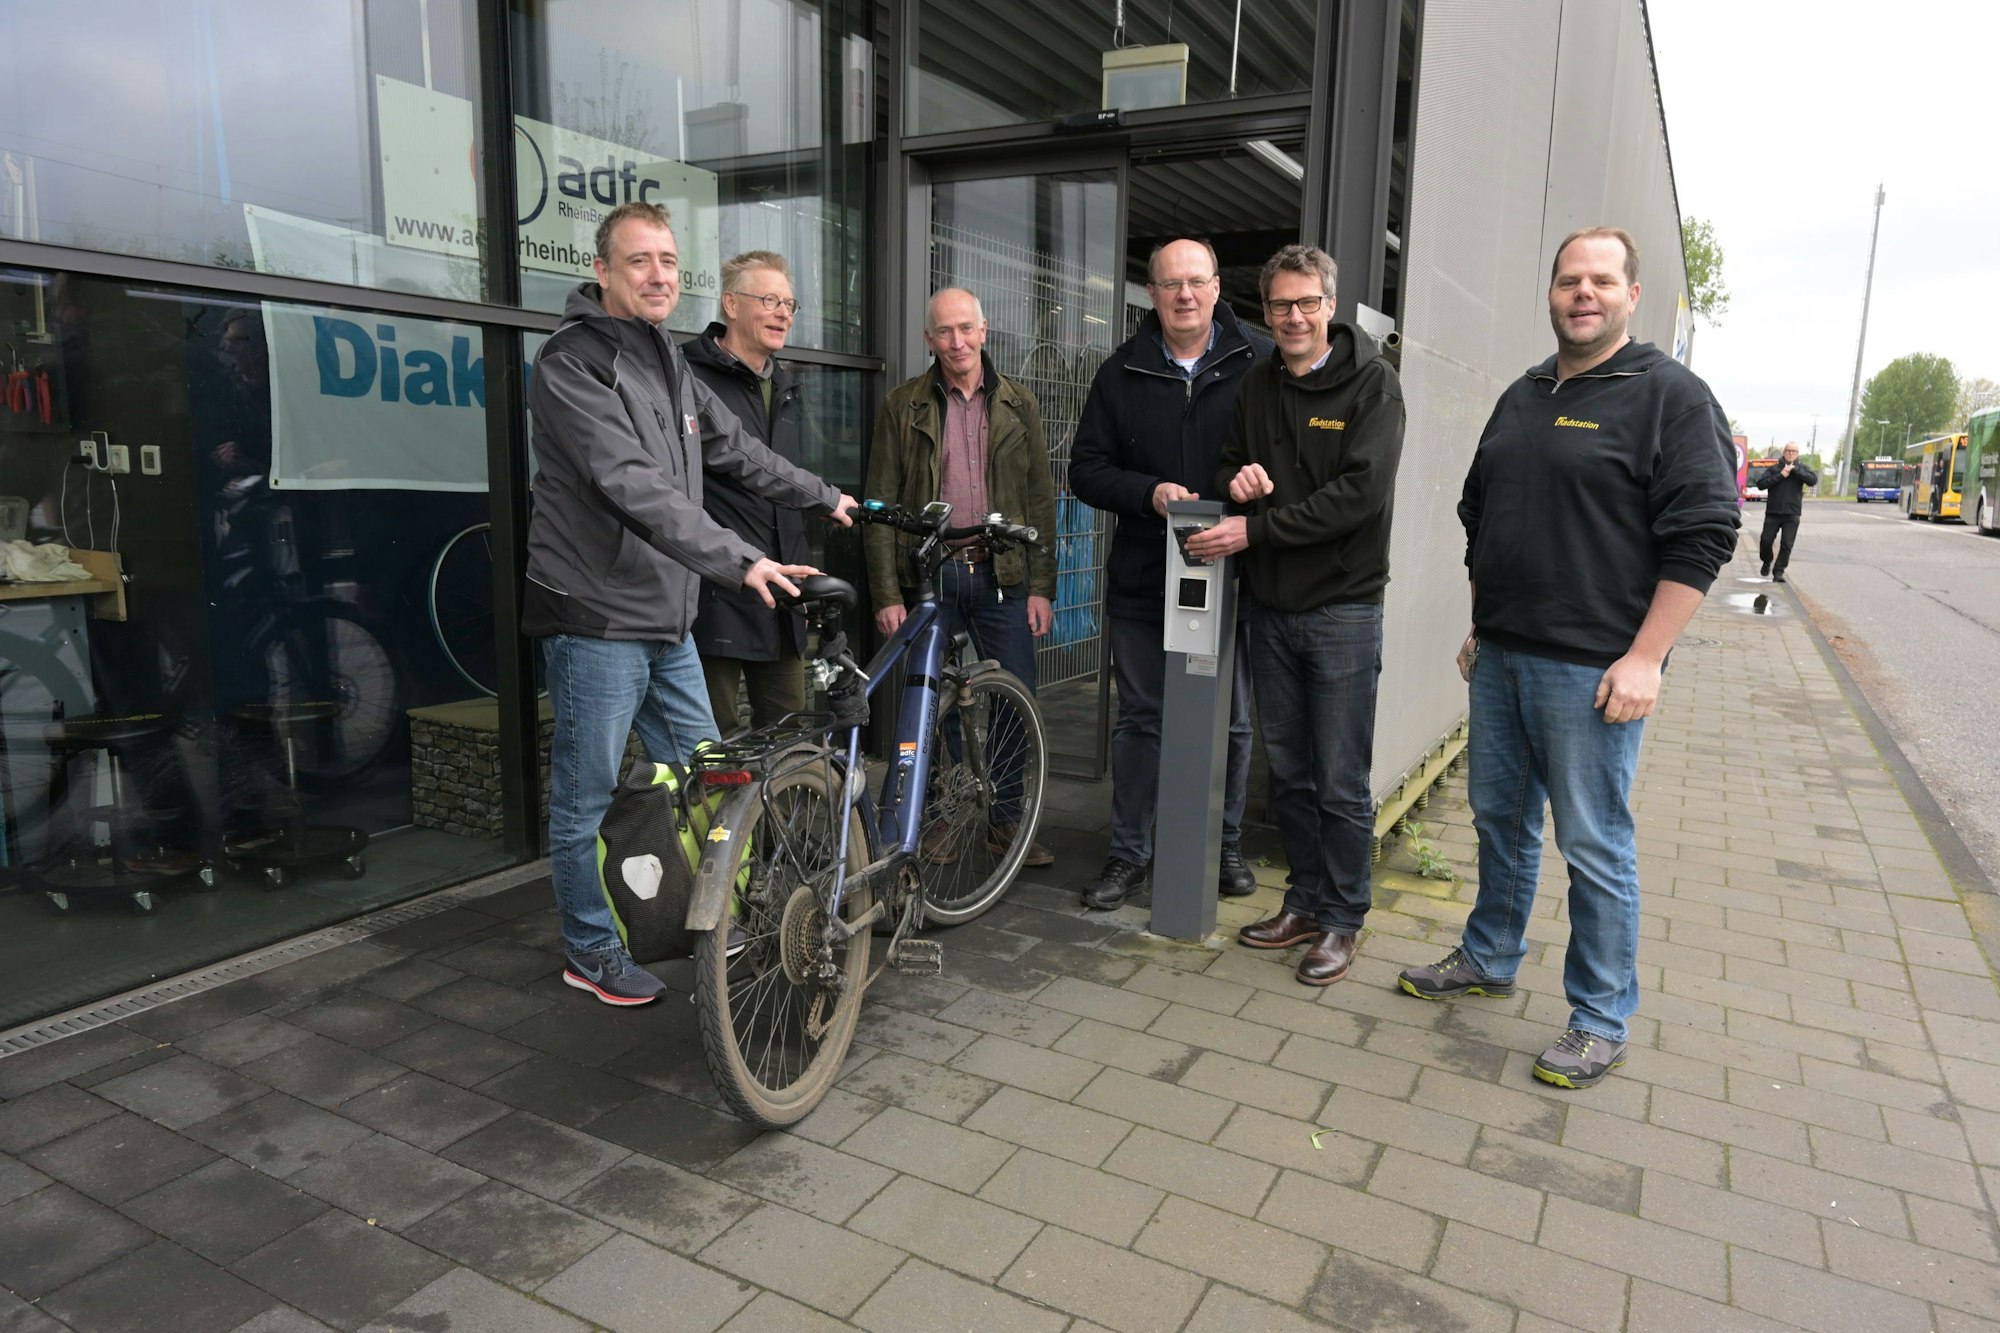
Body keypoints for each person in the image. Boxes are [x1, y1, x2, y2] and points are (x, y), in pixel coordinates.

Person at [1398, 226, 1739, 1088]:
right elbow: (1482, 514)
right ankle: (1490, 956)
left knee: (1594, 844)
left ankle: (1599, 1016)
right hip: (1505, 657)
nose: (1581, 293)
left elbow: (1704, 534)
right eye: (1567, 280)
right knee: (1499, 821)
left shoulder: (1671, 396)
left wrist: (1647, 658)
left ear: (1630, 295)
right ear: (1550, 294)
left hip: (1593, 671)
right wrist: (1485, 620)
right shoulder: (1522, 394)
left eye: (1600, 280)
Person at [525, 201, 858, 1006]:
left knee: (714, 778)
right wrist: (739, 559)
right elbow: (629, 484)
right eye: (639, 260)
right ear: (602, 272)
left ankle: (714, 919)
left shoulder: (669, 363)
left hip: (666, 617)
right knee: (586, 794)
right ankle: (590, 947)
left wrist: (827, 496)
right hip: (597, 618)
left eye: (669, 261)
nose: (658, 274)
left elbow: (737, 452)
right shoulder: (571, 364)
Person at [1187, 244, 1405, 986]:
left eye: (1306, 302)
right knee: (1292, 775)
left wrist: (1256, 528)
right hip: (1271, 610)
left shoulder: (1374, 386)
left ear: (1329, 306)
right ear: (1266, 310)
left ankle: (1345, 915)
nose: (1293, 316)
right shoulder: (1257, 385)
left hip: (1343, 610)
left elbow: (1358, 498)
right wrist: (1235, 479)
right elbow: (1223, 465)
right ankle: (1306, 901)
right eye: (1280, 304)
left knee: (1340, 777)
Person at [1068, 238, 1270, 910]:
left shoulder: (1260, 362)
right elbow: (1086, 469)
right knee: (1142, 720)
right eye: (1169, 284)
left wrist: (1255, 500)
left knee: (1234, 718)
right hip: (1143, 576)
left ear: (1217, 286)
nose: (1184, 294)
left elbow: (1295, 460)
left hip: (1235, 574)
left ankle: (1225, 842)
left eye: (1196, 281)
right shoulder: (1121, 370)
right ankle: (1129, 853)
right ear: (1150, 293)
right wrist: (1148, 493)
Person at [864, 287, 1058, 868]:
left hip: (1003, 576)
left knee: (1014, 700)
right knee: (933, 706)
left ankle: (1003, 822)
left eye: (966, 328)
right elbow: (879, 504)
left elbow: (1039, 501)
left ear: (985, 329)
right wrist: (885, 592)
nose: (957, 341)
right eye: (944, 332)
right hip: (932, 576)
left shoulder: (1019, 403)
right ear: (929, 339)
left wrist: (1042, 585)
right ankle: (945, 820)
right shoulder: (905, 405)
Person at [685, 251, 817, 732]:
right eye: (768, 299)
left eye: (789, 302)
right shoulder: (688, 377)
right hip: (713, 598)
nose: (783, 311)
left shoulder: (783, 386)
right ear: (731, 305)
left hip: (780, 597)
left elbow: (781, 484)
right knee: (709, 746)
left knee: (788, 737)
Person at [1752, 442, 1815, 582]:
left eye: (1794, 451)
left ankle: (1779, 571)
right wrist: (1781, 475)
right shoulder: (1774, 468)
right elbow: (1761, 484)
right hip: (1773, 513)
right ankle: (1767, 561)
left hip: (1792, 514)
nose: (1791, 453)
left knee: (1787, 544)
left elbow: (1812, 480)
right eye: (1788, 450)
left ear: (1798, 453)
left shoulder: (1802, 468)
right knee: (1766, 541)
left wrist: (1795, 471)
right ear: (1784, 452)